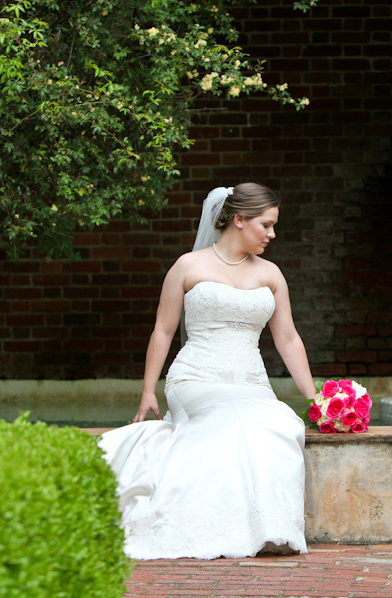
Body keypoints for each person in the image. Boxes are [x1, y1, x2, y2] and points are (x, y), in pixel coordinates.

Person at [98, 182, 317, 560]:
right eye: (266, 225)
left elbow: (288, 340)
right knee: (229, 422)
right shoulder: (188, 265)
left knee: (281, 426)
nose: (272, 234)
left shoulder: (271, 274)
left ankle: (270, 529)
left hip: (252, 384)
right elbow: (164, 330)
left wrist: (316, 399)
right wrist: (149, 391)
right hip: (195, 379)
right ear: (238, 219)